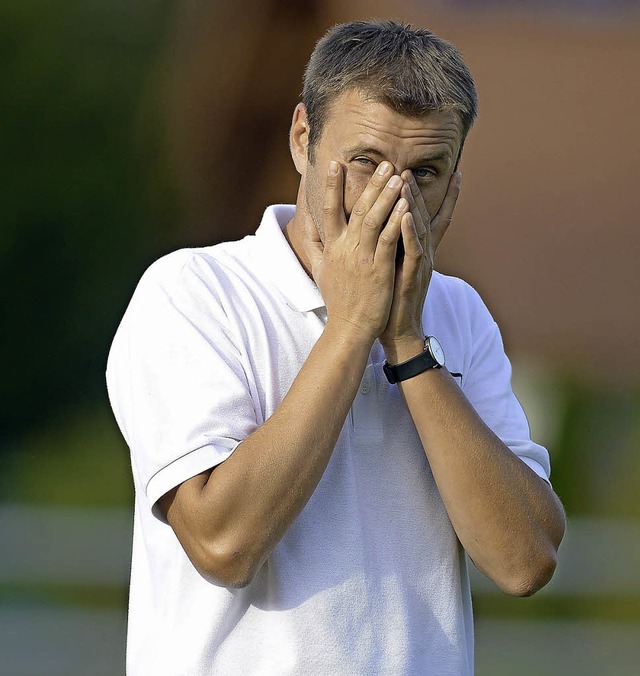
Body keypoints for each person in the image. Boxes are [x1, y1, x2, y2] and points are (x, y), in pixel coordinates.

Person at [107, 20, 565, 675]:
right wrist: (351, 328)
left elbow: (524, 561)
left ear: (454, 184)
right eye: (366, 163)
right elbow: (222, 542)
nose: (392, 200)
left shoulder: (459, 313)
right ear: (303, 140)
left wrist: (406, 342)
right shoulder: (194, 292)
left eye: (425, 172)